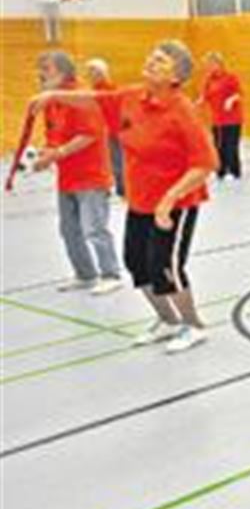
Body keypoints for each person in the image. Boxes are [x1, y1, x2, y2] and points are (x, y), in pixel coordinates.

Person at [32, 40, 219, 354]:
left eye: (161, 61)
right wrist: (53, 94)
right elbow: (93, 100)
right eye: (152, 57)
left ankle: (193, 325)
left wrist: (169, 199)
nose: (151, 62)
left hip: (175, 204)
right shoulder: (132, 96)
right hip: (141, 200)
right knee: (136, 264)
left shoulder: (182, 110)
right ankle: (167, 321)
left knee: (166, 267)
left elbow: (205, 163)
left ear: (176, 76)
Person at [34, 51, 122, 296]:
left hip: (91, 175)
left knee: (94, 228)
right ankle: (85, 274)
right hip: (67, 177)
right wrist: (46, 154)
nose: (40, 73)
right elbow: (54, 135)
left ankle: (111, 273)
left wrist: (59, 152)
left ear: (63, 71)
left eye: (46, 68)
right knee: (69, 230)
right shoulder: (51, 102)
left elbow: (90, 133)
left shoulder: (80, 97)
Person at [83, 58, 125, 196]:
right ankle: (107, 187)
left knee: (116, 161)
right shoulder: (94, 91)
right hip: (101, 132)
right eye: (89, 72)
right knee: (104, 162)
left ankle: (122, 187)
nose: (89, 75)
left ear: (101, 72)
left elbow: (117, 111)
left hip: (114, 132)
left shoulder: (110, 89)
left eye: (92, 71)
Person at [201, 52, 243, 180]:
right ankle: (221, 171)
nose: (208, 67)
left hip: (233, 119)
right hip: (217, 119)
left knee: (230, 145)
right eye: (207, 65)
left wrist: (230, 100)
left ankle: (234, 171)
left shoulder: (231, 77)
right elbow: (205, 96)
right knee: (218, 145)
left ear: (218, 64)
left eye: (210, 64)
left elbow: (239, 94)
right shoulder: (209, 79)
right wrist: (196, 103)